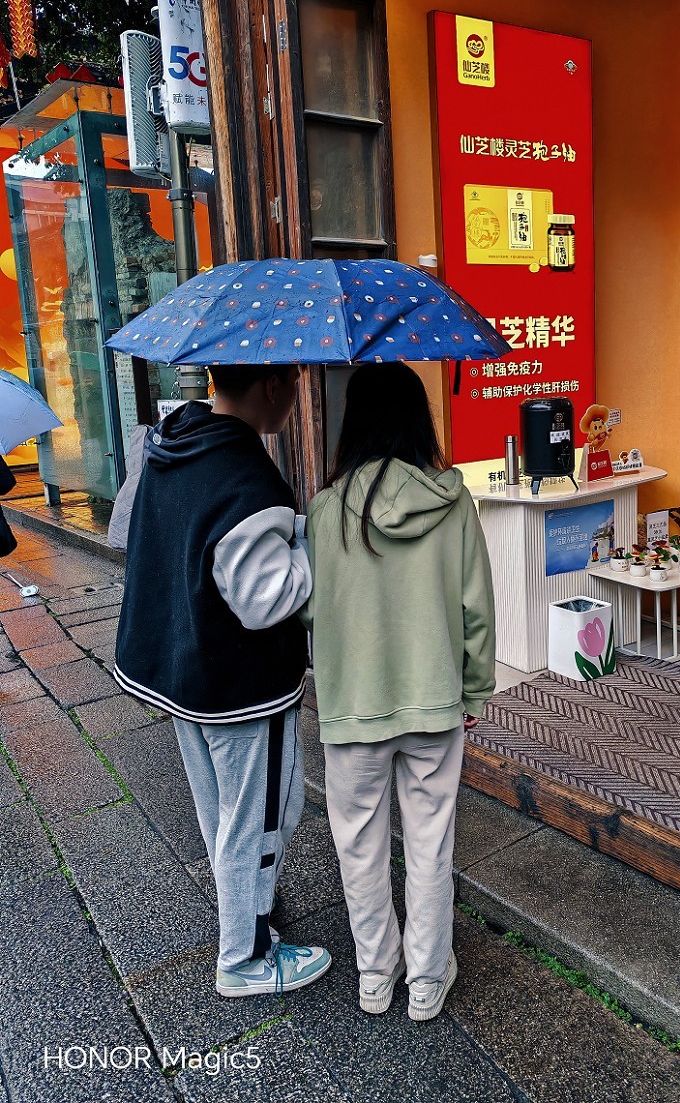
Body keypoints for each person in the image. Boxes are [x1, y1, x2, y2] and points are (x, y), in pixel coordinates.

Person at [114, 364, 331, 998]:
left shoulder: (173, 442)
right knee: (262, 817)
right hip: (242, 683)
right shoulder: (247, 477)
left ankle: (249, 905)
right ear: (271, 388)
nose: (295, 396)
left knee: (221, 811)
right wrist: (308, 546)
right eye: (293, 384)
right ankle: (246, 958)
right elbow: (263, 600)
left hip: (181, 668)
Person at [303, 363, 496, 1021]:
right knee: (429, 842)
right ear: (421, 419)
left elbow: (312, 611)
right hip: (434, 699)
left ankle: (375, 977)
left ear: (352, 423)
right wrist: (475, 690)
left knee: (358, 845)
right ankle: (426, 978)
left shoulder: (324, 511)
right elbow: (476, 608)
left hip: (352, 706)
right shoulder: (452, 500)